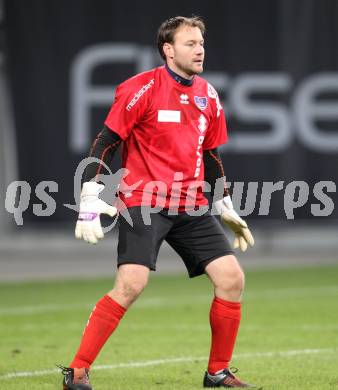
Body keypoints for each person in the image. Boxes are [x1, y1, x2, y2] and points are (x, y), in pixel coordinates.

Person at [60, 15, 255, 389]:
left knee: (231, 279)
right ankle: (78, 370)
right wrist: (89, 193)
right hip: (143, 201)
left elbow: (210, 155)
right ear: (168, 50)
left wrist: (225, 204)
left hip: (190, 203)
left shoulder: (208, 95)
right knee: (131, 284)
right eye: (190, 43)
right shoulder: (141, 88)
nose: (199, 50)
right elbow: (106, 143)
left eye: (201, 43)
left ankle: (217, 372)